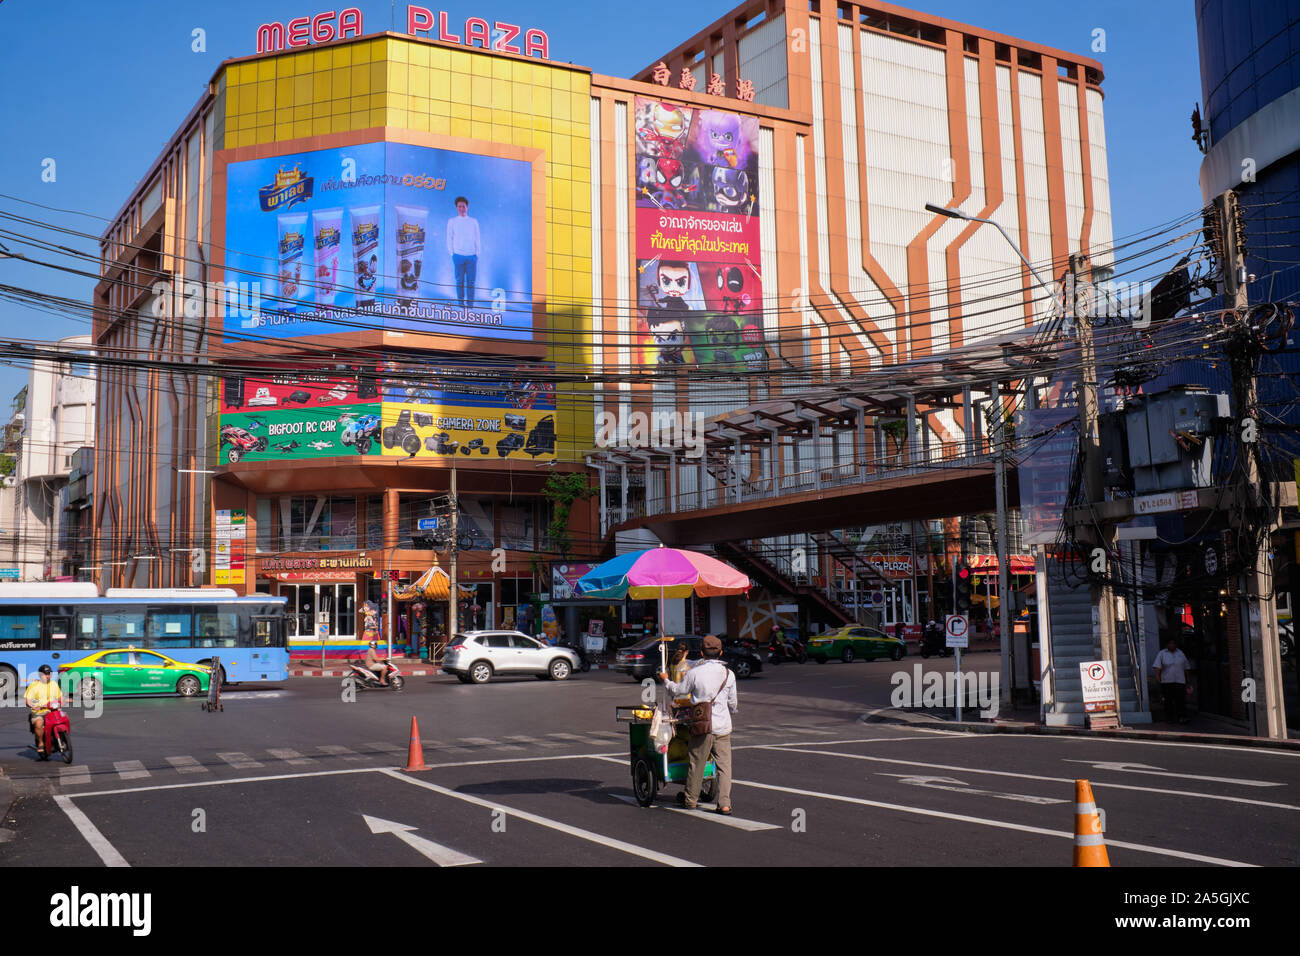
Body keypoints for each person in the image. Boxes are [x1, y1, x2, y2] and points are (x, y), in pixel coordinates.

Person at [659, 634, 737, 814]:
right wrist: (728, 710)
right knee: (724, 767)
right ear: (721, 653)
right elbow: (733, 703)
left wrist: (665, 679)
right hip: (723, 726)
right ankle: (724, 804)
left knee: (697, 762)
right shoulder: (728, 674)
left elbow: (678, 691)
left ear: (701, 652)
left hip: (702, 725)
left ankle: (691, 800)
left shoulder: (694, 673)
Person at [446, 196, 481, 309]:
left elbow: (477, 238)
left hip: (471, 256)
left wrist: (477, 254)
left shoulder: (473, 221)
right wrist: (452, 253)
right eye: (459, 206)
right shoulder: (452, 221)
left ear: (467, 207)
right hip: (458, 256)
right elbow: (449, 237)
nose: (461, 208)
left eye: (463, 206)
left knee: (471, 282)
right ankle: (461, 305)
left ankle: (470, 306)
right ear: (456, 207)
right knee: (459, 281)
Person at [25, 664, 62, 757]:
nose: (47, 676)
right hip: (39, 712)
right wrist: (33, 706)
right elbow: (28, 700)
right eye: (45, 674)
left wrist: (64, 700)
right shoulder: (34, 685)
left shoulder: (54, 684)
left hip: (52, 710)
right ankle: (41, 742)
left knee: (64, 719)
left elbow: (60, 697)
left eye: (49, 674)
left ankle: (62, 738)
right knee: (39, 723)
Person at [1153, 636, 1192, 724]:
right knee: (1168, 700)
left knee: (1180, 700)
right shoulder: (1162, 654)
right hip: (1167, 681)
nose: (1172, 645)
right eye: (1170, 643)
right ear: (1167, 645)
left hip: (1179, 680)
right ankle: (1169, 717)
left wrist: (1188, 679)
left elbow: (1186, 667)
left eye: (1173, 643)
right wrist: (1157, 677)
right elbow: (1157, 667)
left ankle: (1181, 717)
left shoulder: (1180, 653)